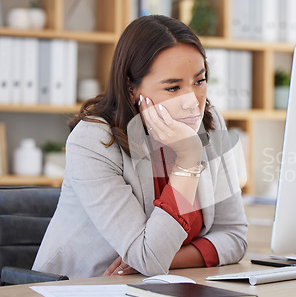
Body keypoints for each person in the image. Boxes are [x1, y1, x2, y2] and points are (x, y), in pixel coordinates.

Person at [32, 15, 248, 279]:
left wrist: (165, 260)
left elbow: (235, 236)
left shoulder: (210, 126)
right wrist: (188, 159)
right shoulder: (92, 142)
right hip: (79, 294)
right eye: (172, 87)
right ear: (131, 88)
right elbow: (149, 258)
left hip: (157, 291)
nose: (192, 101)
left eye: (199, 81)